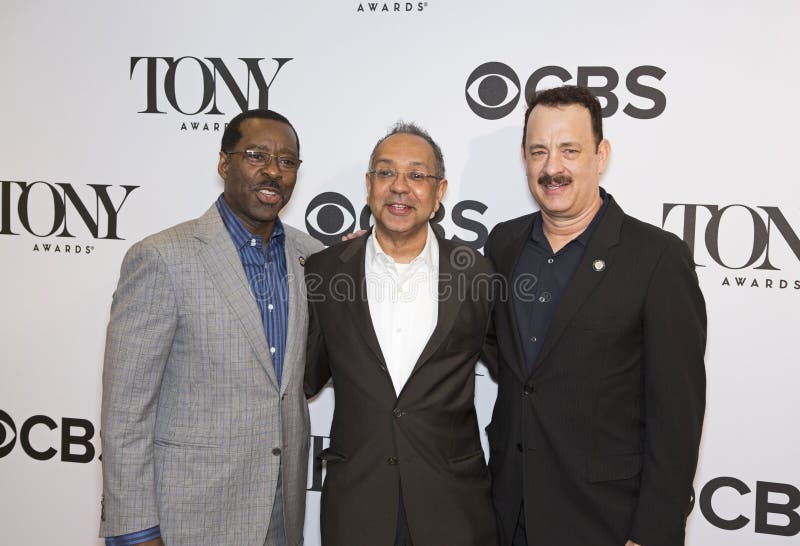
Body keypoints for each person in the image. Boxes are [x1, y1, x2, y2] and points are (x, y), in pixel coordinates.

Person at [483, 85, 706, 546]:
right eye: (539, 151)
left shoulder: (657, 258)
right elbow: (483, 343)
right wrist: (385, 254)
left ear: (600, 155)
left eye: (570, 150)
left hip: (604, 523)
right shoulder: (503, 245)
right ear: (523, 157)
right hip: (508, 514)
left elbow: (676, 417)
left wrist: (651, 534)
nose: (552, 168)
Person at [99, 109, 322, 546]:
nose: (273, 171)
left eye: (288, 161)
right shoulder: (162, 258)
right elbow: (126, 413)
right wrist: (135, 531)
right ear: (224, 164)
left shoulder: (311, 257)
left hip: (281, 515)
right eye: (257, 155)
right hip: (189, 517)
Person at [304, 122, 498, 546]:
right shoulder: (324, 272)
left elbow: (518, 370)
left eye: (416, 175)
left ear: (440, 190)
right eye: (386, 173)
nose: (400, 187)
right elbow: (304, 377)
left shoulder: (477, 275)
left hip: (454, 507)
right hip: (357, 505)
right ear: (369, 185)